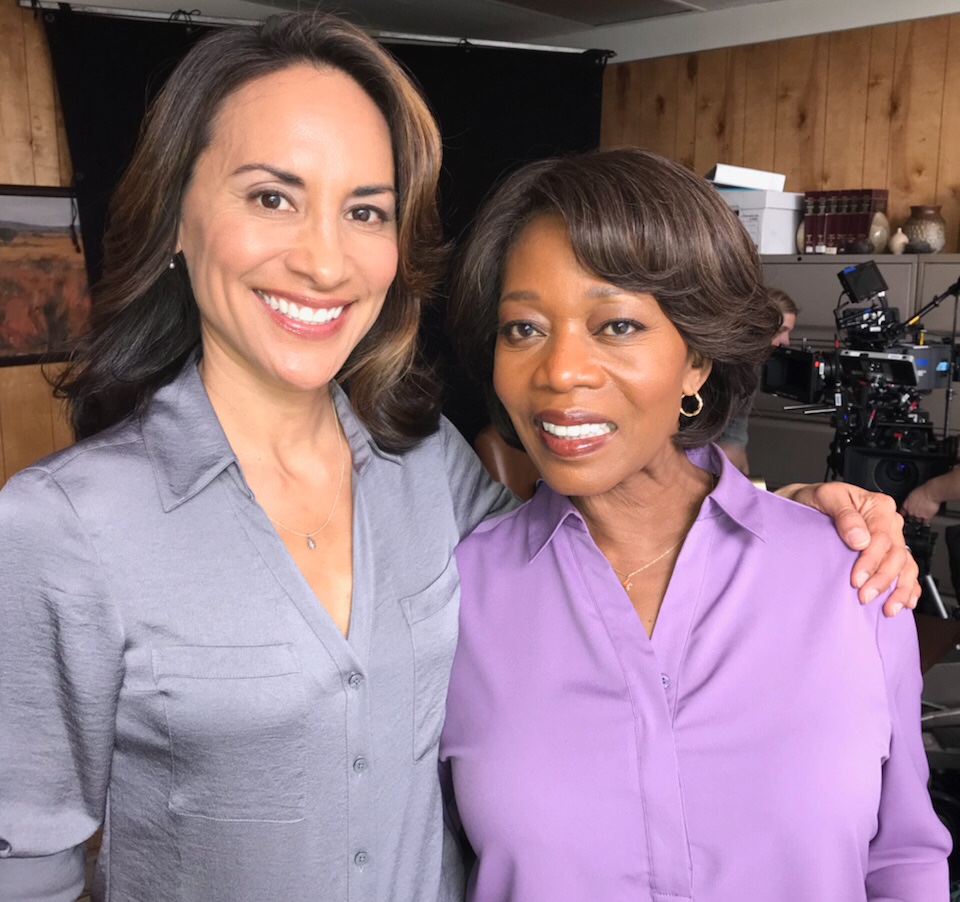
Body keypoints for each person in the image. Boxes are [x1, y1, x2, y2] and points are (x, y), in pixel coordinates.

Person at [0, 13, 921, 902]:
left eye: (364, 210)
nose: (324, 262)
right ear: (175, 218)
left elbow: (612, 516)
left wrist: (796, 514)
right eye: (271, 196)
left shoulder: (428, 472)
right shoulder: (67, 527)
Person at [441, 148, 950, 901]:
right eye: (522, 329)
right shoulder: (456, 598)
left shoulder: (848, 574)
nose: (559, 371)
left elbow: (902, 858)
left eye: (615, 324)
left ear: (697, 361)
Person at [718, 286, 796, 473]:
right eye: (781, 330)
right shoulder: (720, 364)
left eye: (789, 332)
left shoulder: (751, 369)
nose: (786, 341)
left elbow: (736, 435)